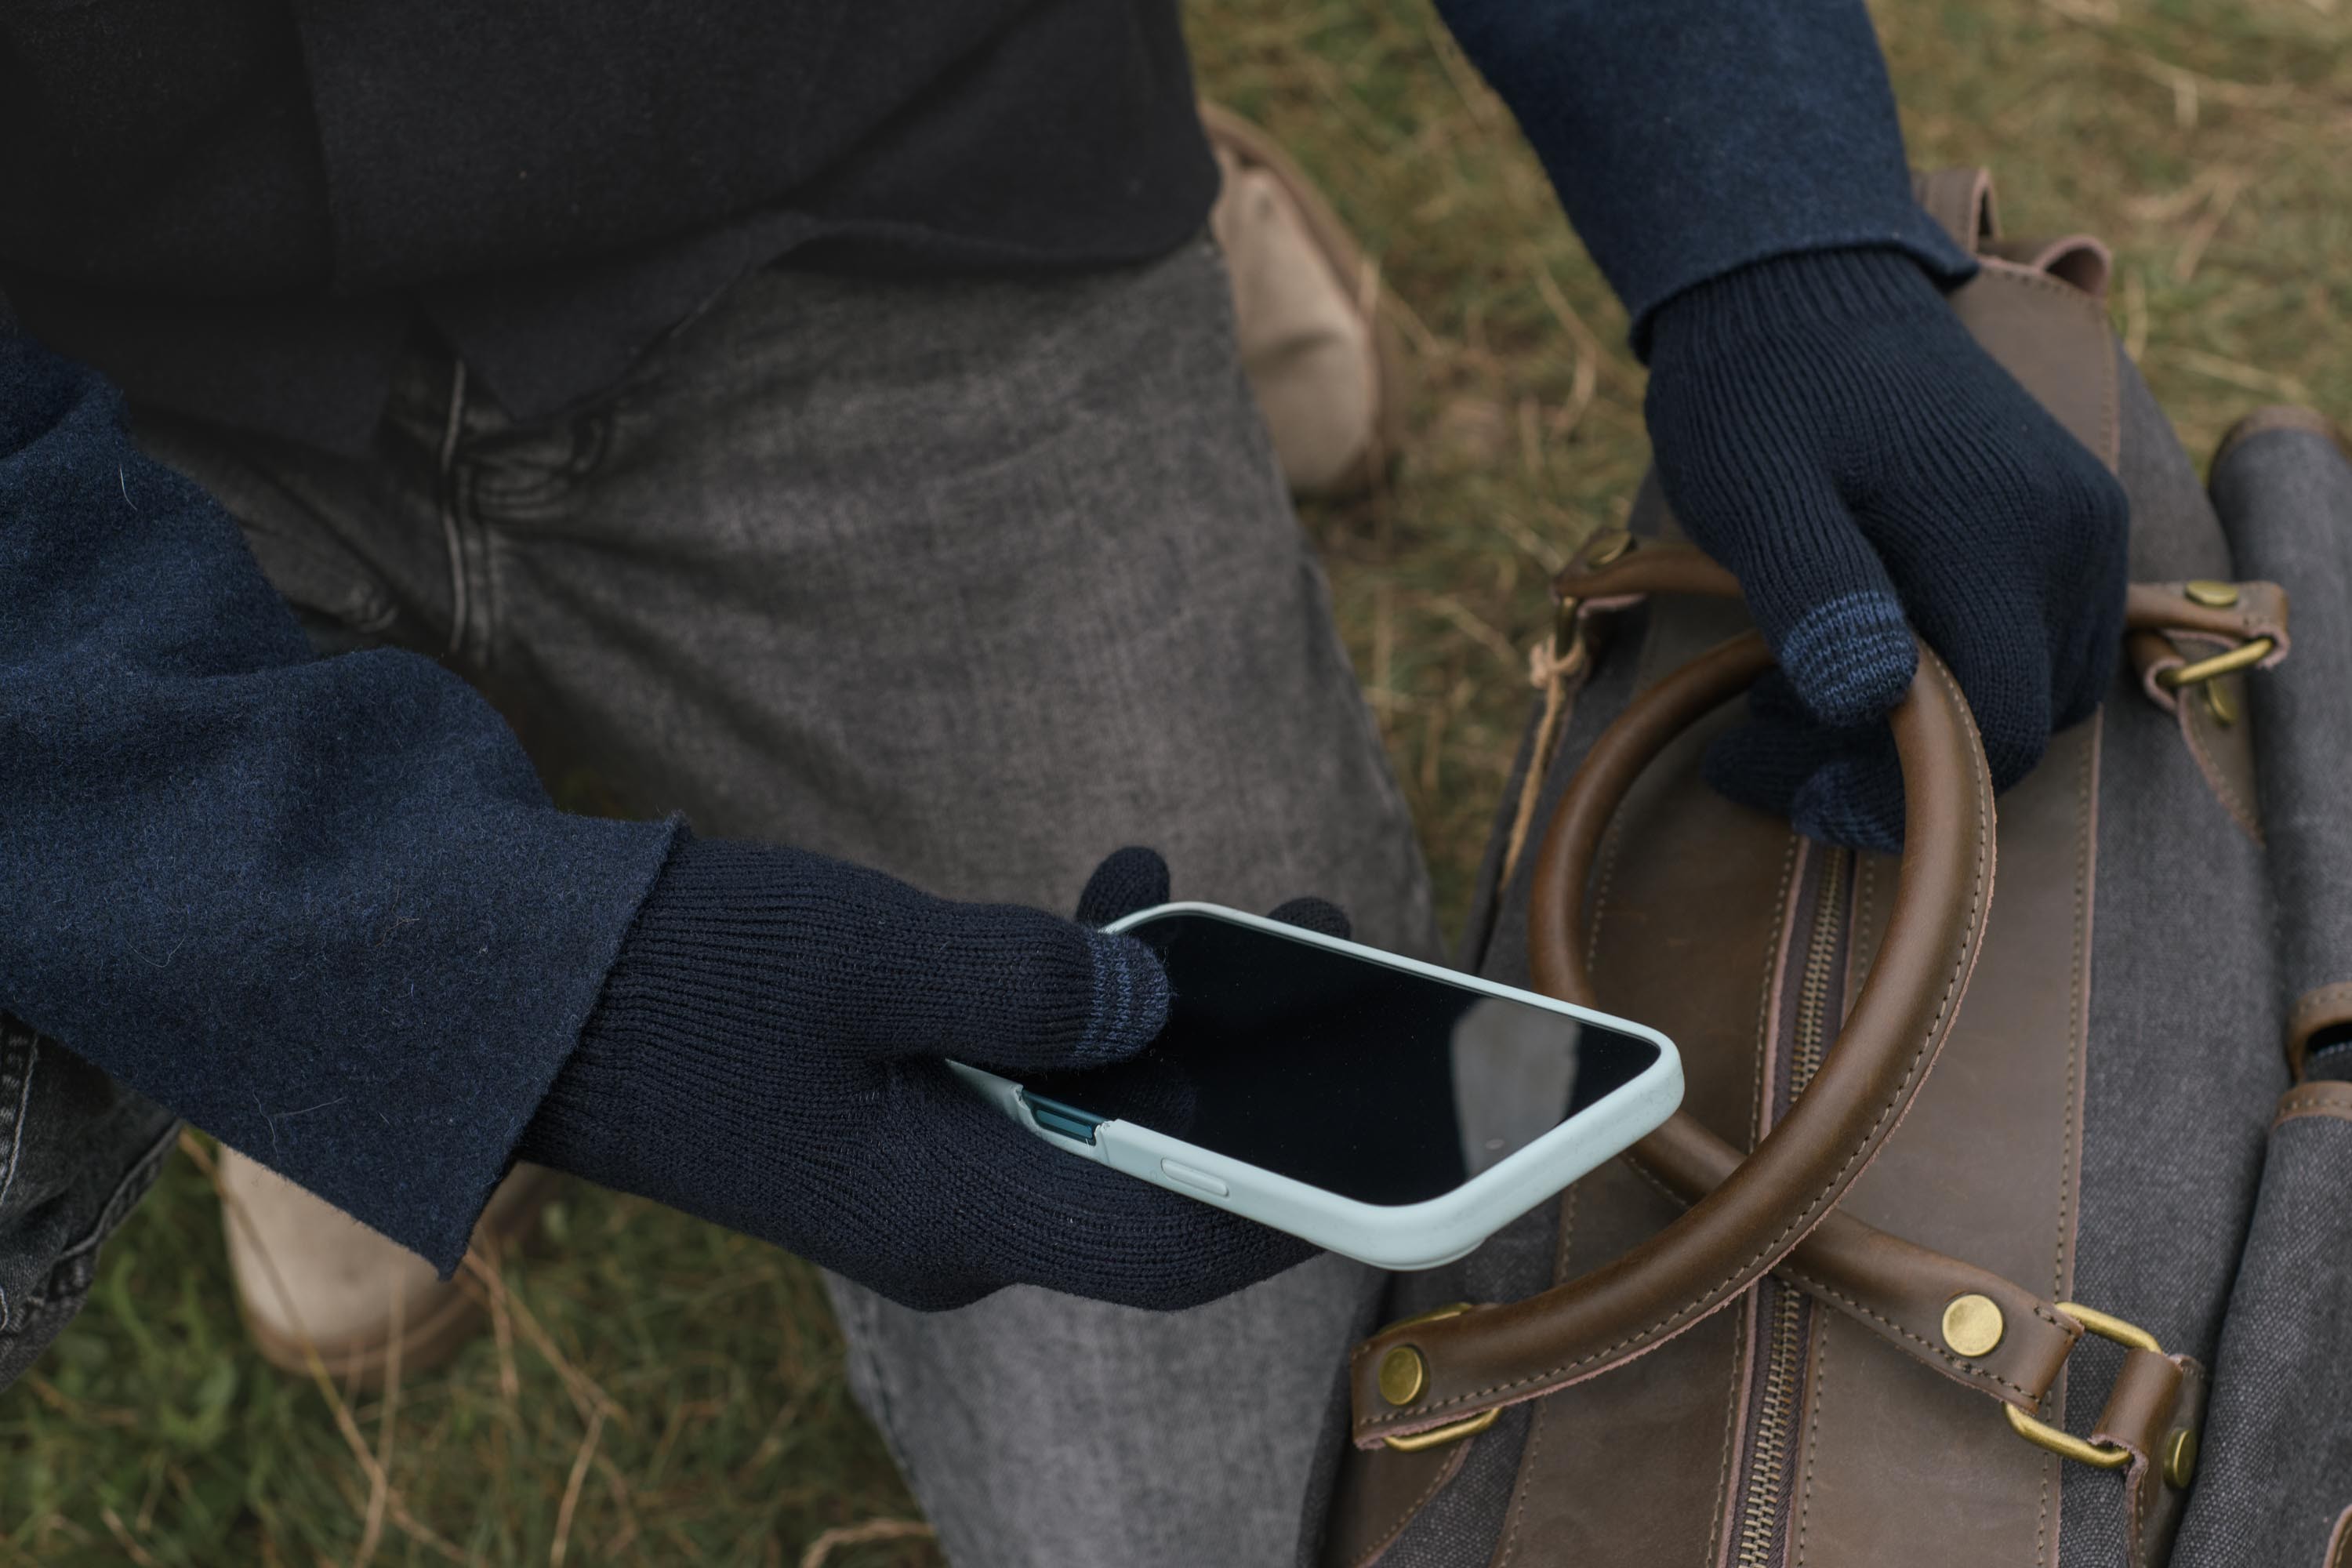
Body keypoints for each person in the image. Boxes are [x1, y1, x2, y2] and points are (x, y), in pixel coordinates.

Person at [0, 2, 2127, 1563]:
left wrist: (1759, 210)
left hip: (861, 184)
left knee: (1235, 1499)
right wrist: (392, 945)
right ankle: (336, 907)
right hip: (73, 351)